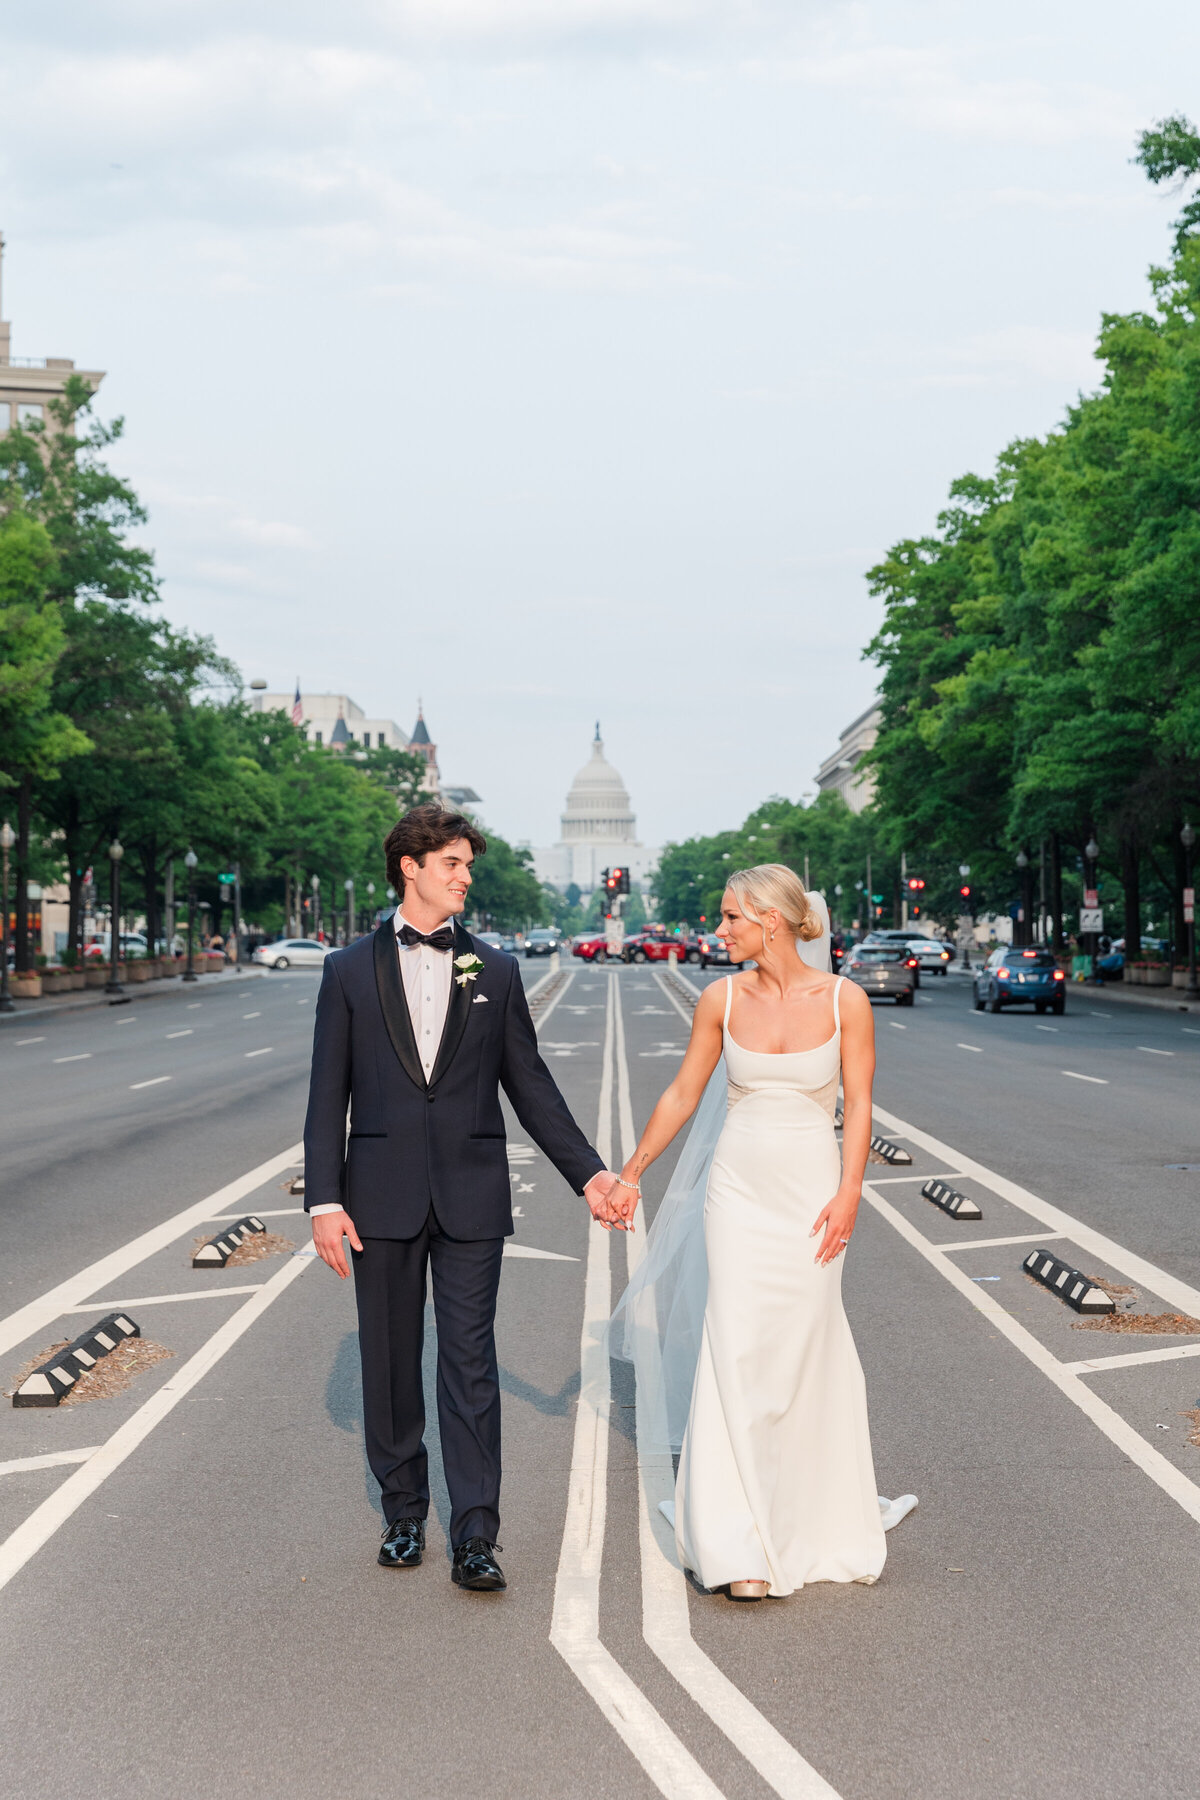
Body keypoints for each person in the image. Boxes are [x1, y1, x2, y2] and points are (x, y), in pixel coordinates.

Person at [304, 803, 627, 1593]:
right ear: (411, 867)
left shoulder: (495, 969)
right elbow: (326, 1096)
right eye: (454, 864)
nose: (466, 878)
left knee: (469, 1362)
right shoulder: (346, 970)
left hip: (473, 1198)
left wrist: (590, 1173)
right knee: (387, 1365)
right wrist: (323, 1201)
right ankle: (404, 1514)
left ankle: (477, 1532)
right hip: (376, 1198)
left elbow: (532, 1087)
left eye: (468, 866)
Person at [612, 863, 911, 1600]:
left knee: (804, 1344)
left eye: (730, 918)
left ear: (771, 920)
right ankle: (736, 1539)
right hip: (738, 1193)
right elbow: (685, 1090)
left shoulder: (847, 1002)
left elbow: (862, 1106)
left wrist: (849, 1196)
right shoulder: (720, 998)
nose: (719, 930)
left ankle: (804, 1512)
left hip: (812, 1194)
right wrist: (631, 1172)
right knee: (737, 1346)